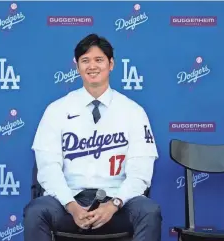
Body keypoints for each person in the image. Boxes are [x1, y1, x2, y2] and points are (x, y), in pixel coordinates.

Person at [23, 33, 162, 241]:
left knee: (149, 211)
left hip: (118, 204)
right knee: (36, 211)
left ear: (111, 64)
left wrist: (114, 205)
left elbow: (140, 174)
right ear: (76, 65)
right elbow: (48, 169)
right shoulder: (56, 110)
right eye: (85, 60)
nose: (92, 66)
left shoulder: (133, 111)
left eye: (99, 60)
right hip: (68, 203)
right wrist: (72, 207)